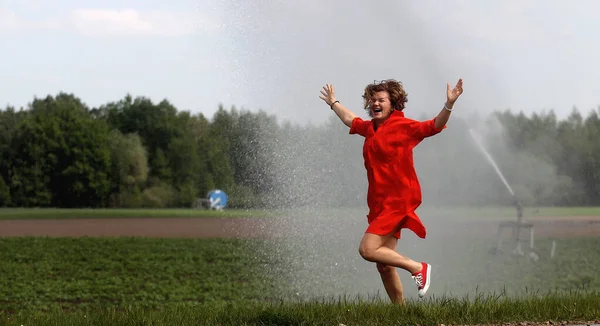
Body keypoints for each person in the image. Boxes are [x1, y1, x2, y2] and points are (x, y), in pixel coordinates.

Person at [318, 78, 464, 304]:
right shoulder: (370, 129)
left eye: (381, 100)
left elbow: (434, 126)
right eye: (372, 100)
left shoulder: (403, 127)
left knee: (367, 250)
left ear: (393, 103)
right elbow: (350, 120)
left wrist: (449, 104)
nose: (375, 103)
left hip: (398, 201)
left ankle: (418, 267)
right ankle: (400, 313)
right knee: (384, 265)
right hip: (378, 204)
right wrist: (333, 102)